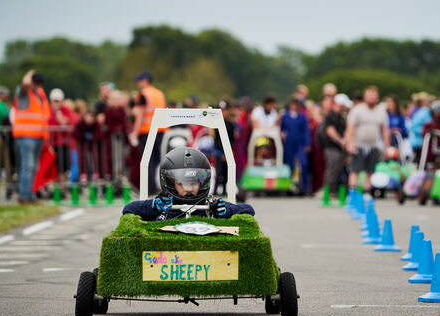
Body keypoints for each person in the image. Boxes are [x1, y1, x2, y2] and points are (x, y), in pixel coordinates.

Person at [123, 147, 254, 221]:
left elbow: (249, 210)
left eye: (193, 184)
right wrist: (152, 207)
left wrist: (226, 211)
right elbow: (128, 209)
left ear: (202, 183)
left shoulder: (209, 207)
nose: (189, 189)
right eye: (182, 184)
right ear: (170, 183)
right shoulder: (162, 205)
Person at [12, 70, 50, 204]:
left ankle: (30, 194)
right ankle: (24, 195)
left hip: (38, 136)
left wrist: (45, 135)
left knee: (33, 167)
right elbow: (24, 83)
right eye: (35, 83)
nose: (37, 86)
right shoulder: (23, 93)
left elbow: (43, 116)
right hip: (26, 136)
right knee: (27, 167)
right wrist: (29, 73)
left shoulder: (40, 94)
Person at [345, 86, 390, 193]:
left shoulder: (381, 111)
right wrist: (350, 143)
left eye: (373, 96)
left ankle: (366, 195)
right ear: (365, 97)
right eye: (369, 96)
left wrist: (386, 147)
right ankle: (352, 196)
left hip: (373, 146)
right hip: (358, 145)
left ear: (377, 98)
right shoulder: (358, 110)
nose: (371, 98)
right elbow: (350, 128)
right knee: (355, 171)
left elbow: (385, 130)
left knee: (369, 172)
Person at [129, 71, 167, 195]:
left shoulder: (143, 94)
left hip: (146, 131)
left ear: (145, 80)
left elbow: (140, 115)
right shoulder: (159, 93)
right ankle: (157, 187)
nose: (137, 83)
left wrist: (134, 132)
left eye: (139, 80)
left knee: (147, 161)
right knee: (156, 161)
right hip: (160, 131)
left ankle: (149, 189)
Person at [281, 98, 311, 194]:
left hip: (300, 143)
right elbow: (282, 129)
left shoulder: (302, 117)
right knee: (289, 165)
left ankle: (305, 187)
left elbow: (306, 131)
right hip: (289, 143)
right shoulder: (285, 116)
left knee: (304, 163)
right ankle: (288, 186)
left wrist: (307, 143)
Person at [323, 95, 349, 195]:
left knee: (338, 169)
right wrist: (341, 141)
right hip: (332, 147)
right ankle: (328, 192)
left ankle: (334, 191)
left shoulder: (341, 116)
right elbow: (330, 131)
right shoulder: (331, 115)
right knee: (332, 169)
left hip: (339, 148)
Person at [48, 88, 75, 180]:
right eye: (54, 101)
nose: (56, 103)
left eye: (58, 101)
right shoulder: (47, 110)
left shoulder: (65, 110)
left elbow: (64, 123)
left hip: (63, 144)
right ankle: (55, 189)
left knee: (63, 168)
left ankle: (61, 189)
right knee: (52, 168)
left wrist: (58, 113)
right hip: (50, 144)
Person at [421, 101, 440, 166]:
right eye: (436, 113)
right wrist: (429, 132)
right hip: (428, 153)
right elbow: (423, 135)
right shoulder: (427, 125)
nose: (438, 115)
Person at [409, 92, 433, 160]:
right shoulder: (425, 112)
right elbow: (414, 127)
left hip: (416, 141)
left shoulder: (417, 111)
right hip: (420, 142)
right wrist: (426, 133)